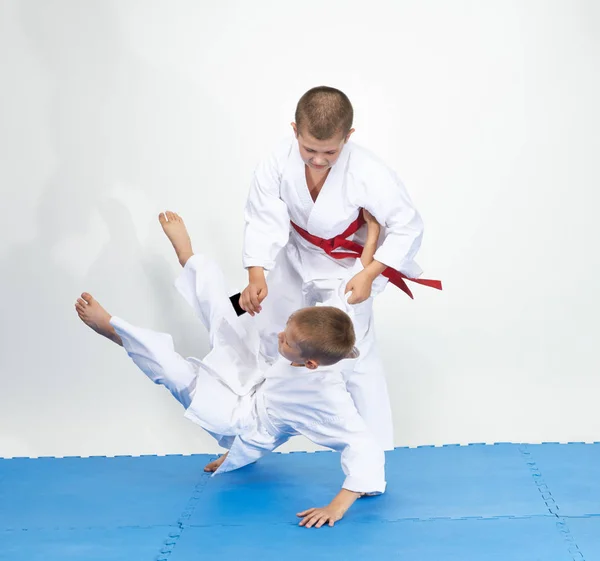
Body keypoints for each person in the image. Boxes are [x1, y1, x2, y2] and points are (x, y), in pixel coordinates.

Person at [76, 212, 386, 528]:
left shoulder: (327, 396)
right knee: (226, 316)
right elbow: (358, 281)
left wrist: (338, 506)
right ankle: (188, 257)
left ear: (310, 364)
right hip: (256, 377)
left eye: (288, 340)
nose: (281, 334)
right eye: (287, 328)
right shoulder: (331, 324)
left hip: (240, 422)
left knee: (175, 372)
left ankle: (118, 333)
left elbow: (364, 447)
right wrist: (373, 232)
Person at [238, 86, 441, 451]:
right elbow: (263, 216)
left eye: (330, 151)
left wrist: (369, 273)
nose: (318, 160)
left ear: (348, 136)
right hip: (294, 252)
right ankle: (251, 435)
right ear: (294, 130)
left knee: (353, 351)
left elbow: (408, 225)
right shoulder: (275, 161)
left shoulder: (369, 171)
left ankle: (370, 453)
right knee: (270, 333)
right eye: (309, 149)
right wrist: (256, 271)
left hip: (350, 265)